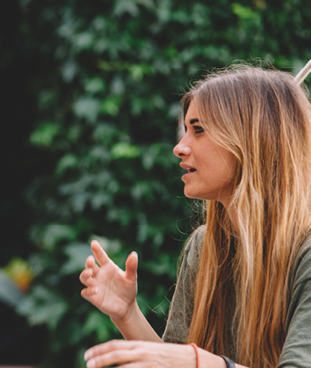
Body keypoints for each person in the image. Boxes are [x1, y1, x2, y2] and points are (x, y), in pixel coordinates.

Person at [79, 66, 311, 368]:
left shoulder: (305, 252)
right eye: (185, 130)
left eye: (198, 130)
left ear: (252, 140)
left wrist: (202, 361)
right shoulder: (204, 248)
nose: (180, 147)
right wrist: (128, 314)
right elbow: (176, 363)